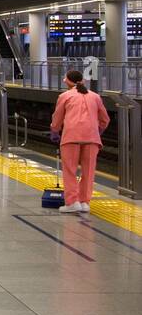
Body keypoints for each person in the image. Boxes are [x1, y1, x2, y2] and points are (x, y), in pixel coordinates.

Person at [51, 69, 110, 214]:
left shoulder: (64, 96)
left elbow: (57, 119)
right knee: (88, 172)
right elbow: (105, 120)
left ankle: (72, 202)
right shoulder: (95, 96)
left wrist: (55, 131)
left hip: (71, 137)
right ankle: (84, 202)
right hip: (91, 138)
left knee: (70, 170)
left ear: (67, 81)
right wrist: (98, 131)